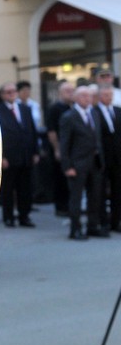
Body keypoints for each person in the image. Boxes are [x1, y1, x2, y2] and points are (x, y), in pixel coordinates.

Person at [60, 85, 107, 239]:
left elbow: (98, 137)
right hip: (77, 164)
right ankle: (75, 229)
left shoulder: (94, 113)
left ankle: (92, 226)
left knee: (95, 196)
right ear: (76, 98)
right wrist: (67, 166)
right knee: (76, 197)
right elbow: (65, 144)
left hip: (95, 162)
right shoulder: (69, 117)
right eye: (83, 96)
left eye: (89, 96)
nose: (87, 99)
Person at [0, 82, 39, 227]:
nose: (11, 94)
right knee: (8, 188)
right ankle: (9, 217)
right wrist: (2, 157)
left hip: (25, 155)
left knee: (25, 187)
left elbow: (32, 131)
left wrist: (35, 151)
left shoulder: (25, 109)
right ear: (2, 95)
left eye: (13, 91)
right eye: (8, 92)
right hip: (9, 157)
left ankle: (24, 216)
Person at [94, 83, 121, 233]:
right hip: (102, 159)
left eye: (110, 95)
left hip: (117, 159)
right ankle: (102, 221)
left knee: (117, 191)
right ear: (99, 96)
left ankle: (116, 221)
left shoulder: (118, 111)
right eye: (105, 95)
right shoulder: (94, 112)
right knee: (101, 192)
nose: (108, 98)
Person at [45, 80, 75, 217]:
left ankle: (70, 205)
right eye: (67, 91)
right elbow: (51, 131)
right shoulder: (55, 109)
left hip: (73, 149)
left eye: (71, 91)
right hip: (60, 149)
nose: (70, 93)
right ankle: (61, 207)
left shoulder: (74, 108)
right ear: (60, 93)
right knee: (60, 179)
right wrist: (57, 149)